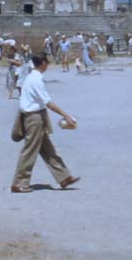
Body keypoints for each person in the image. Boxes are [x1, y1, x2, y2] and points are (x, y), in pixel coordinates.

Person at [10, 53, 80, 193]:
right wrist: (66, 115)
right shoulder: (36, 79)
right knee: (30, 150)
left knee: (48, 150)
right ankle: (19, 183)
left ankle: (64, 177)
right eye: (47, 62)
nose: (48, 64)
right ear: (42, 63)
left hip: (37, 116)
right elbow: (48, 102)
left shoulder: (32, 77)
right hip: (34, 117)